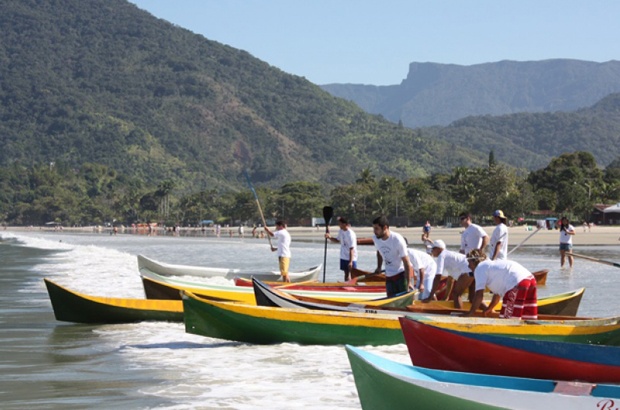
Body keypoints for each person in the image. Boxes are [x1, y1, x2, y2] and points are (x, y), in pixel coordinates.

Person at [464, 250, 538, 319]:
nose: (468, 266)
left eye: (469, 262)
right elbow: (497, 295)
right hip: (531, 280)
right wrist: (490, 308)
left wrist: (470, 313)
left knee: (507, 319)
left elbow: (479, 295)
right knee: (527, 317)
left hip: (517, 284)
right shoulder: (491, 266)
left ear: (474, 261)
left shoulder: (479, 268)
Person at [371, 215, 414, 297]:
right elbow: (379, 252)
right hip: (389, 276)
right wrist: (379, 267)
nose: (374, 231)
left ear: (385, 228)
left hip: (402, 275)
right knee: (391, 302)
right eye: (373, 228)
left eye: (376, 229)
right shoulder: (376, 239)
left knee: (404, 302)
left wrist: (408, 283)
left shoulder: (397, 239)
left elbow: (406, 262)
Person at [423, 239, 473, 308]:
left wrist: (430, 296)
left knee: (456, 294)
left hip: (468, 271)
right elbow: (450, 280)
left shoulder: (442, 256)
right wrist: (446, 297)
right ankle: (489, 312)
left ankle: (458, 315)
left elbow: (437, 277)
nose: (432, 251)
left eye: (433, 249)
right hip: (474, 271)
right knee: (472, 298)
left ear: (439, 249)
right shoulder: (448, 256)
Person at [325, 216, 358, 281]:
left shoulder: (351, 234)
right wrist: (329, 237)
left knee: (352, 274)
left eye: (340, 223)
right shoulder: (341, 231)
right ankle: (346, 286)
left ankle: (354, 287)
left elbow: (352, 248)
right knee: (346, 274)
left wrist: (351, 261)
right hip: (343, 256)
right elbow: (337, 240)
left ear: (344, 224)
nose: (338, 225)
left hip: (351, 257)